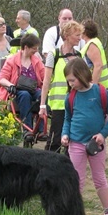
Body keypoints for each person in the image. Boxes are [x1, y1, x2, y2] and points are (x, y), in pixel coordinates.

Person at [61, 57, 108, 215]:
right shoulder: (70, 97)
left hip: (96, 145)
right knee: (77, 180)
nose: (70, 83)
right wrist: (65, 134)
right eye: (68, 81)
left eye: (73, 80)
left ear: (82, 75)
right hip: (76, 144)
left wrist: (103, 134)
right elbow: (68, 118)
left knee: (100, 179)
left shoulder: (101, 92)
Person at [39, 21, 83, 152]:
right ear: (67, 35)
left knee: (74, 137)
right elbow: (46, 81)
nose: (80, 38)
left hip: (76, 103)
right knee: (55, 138)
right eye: (77, 35)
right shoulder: (54, 54)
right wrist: (42, 105)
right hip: (58, 104)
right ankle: (49, 165)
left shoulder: (79, 56)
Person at [0, 34, 45, 134]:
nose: (36, 50)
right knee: (25, 95)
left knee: (42, 95)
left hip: (34, 88)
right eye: (34, 48)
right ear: (26, 47)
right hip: (18, 91)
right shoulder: (12, 60)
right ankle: (27, 128)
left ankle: (41, 129)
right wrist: (10, 85)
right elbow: (2, 79)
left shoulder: (37, 61)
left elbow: (44, 76)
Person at [80, 19, 108, 88]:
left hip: (99, 87)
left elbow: (98, 66)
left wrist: (93, 87)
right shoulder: (94, 42)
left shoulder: (92, 44)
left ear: (84, 31)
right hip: (100, 86)